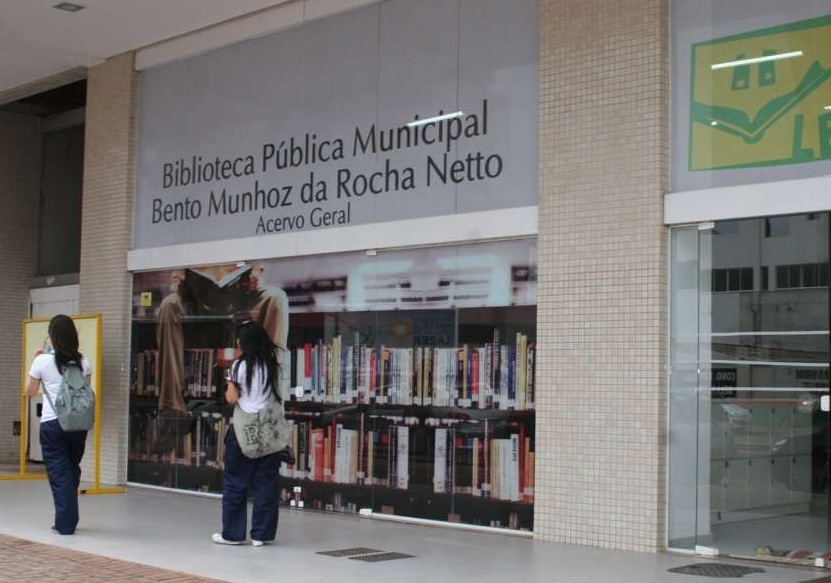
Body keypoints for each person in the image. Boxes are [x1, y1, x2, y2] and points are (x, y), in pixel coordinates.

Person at [213, 320, 285, 547]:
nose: (236, 342)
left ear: (245, 342)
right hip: (267, 432)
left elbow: (232, 399)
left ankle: (233, 535)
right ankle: (260, 535)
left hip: (243, 431)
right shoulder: (273, 366)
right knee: (266, 484)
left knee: (236, 483)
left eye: (239, 339)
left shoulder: (239, 366)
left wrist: (229, 384)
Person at [25, 315, 92, 535]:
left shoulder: (42, 361)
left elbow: (30, 392)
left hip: (53, 424)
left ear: (52, 337)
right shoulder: (84, 362)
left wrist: (36, 360)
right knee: (72, 469)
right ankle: (67, 518)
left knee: (59, 473)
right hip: (78, 425)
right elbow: (82, 394)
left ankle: (65, 524)